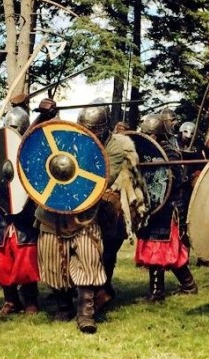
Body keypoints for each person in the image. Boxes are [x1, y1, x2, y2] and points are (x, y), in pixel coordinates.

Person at [34, 103, 148, 333]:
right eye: (85, 128)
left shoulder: (116, 147)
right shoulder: (69, 137)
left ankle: (85, 312)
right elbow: (39, 144)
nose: (90, 133)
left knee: (88, 257)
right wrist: (43, 118)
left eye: (94, 129)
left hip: (88, 212)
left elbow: (101, 178)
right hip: (54, 209)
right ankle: (63, 306)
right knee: (54, 259)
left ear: (104, 128)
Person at [0, 106, 41, 316]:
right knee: (1, 258)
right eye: (10, 126)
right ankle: (10, 301)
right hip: (0, 211)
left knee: (26, 257)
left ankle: (31, 300)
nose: (13, 129)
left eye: (16, 127)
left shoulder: (34, 151)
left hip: (25, 212)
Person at [135, 114, 198, 302]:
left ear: (159, 135)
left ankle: (157, 292)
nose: (148, 137)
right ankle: (189, 285)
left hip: (167, 207)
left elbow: (172, 181)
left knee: (160, 248)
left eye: (150, 134)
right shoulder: (145, 150)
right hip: (153, 207)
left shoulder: (170, 153)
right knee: (159, 248)